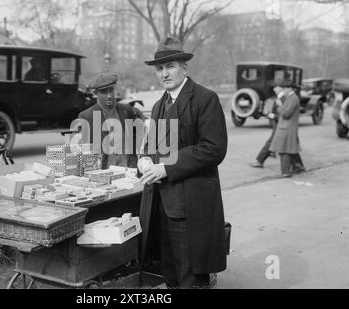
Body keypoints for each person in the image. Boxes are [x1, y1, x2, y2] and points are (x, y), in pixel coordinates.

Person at [138, 37, 228, 288]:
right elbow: (151, 147)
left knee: (191, 276)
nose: (164, 73)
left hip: (191, 205)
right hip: (162, 204)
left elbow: (214, 148)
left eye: (171, 66)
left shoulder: (205, 98)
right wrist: (144, 159)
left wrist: (166, 168)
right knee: (170, 274)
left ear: (184, 68)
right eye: (159, 68)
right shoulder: (158, 106)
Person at [77, 72, 145, 169]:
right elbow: (83, 150)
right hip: (103, 173)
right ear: (95, 93)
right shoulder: (86, 116)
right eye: (104, 92)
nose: (109, 95)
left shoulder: (127, 110)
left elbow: (136, 136)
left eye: (111, 90)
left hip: (129, 170)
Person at [269, 79, 306, 178]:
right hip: (286, 127)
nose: (283, 90)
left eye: (285, 88)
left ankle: (286, 172)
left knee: (283, 149)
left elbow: (286, 113)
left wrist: (279, 106)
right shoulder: (291, 97)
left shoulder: (293, 98)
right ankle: (298, 166)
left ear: (290, 88)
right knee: (290, 148)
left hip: (287, 128)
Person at [249, 88, 282, 168]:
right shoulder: (278, 98)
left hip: (280, 125)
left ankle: (260, 161)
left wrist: (274, 116)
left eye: (277, 88)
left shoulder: (283, 99)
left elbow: (285, 113)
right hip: (277, 124)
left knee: (270, 142)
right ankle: (297, 165)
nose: (275, 89)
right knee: (290, 145)